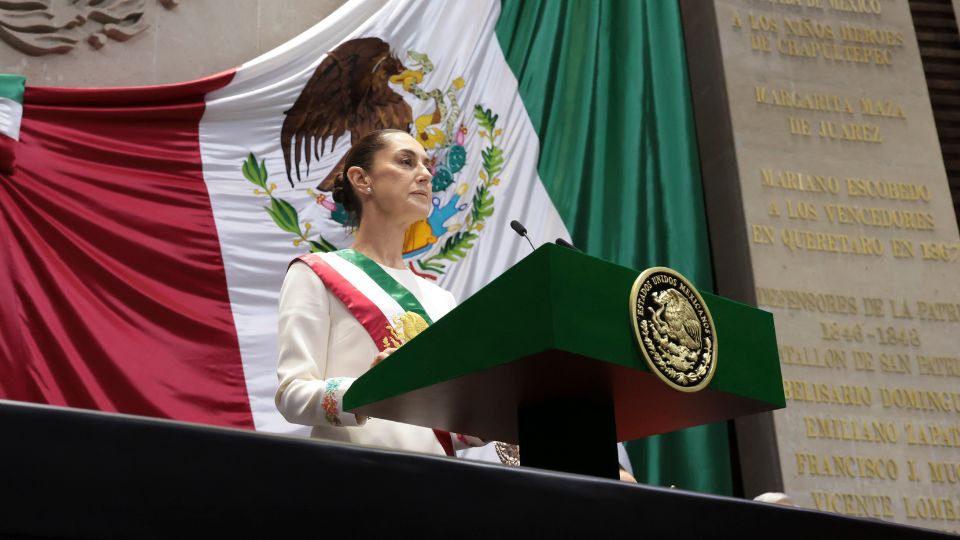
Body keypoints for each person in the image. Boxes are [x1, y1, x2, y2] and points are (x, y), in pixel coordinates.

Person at [275, 129, 482, 456]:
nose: (426, 174)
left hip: (437, 487)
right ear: (361, 179)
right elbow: (291, 395)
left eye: (427, 166)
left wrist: (487, 418)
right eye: (406, 161)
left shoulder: (442, 300)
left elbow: (437, 427)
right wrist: (366, 392)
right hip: (353, 481)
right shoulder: (315, 273)